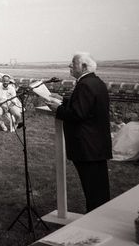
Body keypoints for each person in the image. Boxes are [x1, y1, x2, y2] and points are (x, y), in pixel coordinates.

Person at [46, 52, 112, 213]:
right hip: (97, 144)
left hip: (87, 145)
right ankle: (100, 217)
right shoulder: (95, 82)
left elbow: (78, 114)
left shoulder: (84, 85)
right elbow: (85, 106)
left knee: (92, 188)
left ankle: (94, 221)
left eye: (73, 63)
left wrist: (58, 109)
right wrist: (63, 99)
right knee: (99, 187)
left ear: (83, 67)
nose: (70, 66)